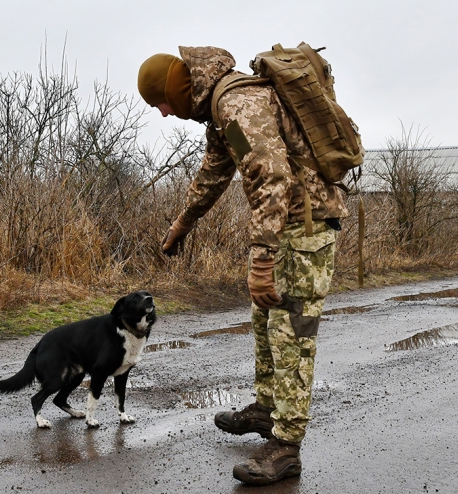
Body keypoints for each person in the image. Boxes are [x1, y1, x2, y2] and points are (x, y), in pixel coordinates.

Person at [137, 46, 348, 486]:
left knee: (291, 334)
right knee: (265, 319)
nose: (161, 114)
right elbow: (216, 170)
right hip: (288, 226)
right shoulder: (221, 105)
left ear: (175, 90)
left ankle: (286, 447)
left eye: (158, 102)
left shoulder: (236, 101)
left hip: (302, 229)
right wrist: (183, 222)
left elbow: (271, 178)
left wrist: (262, 259)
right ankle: (268, 410)